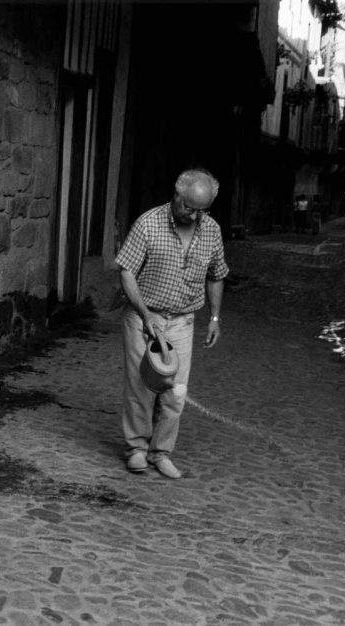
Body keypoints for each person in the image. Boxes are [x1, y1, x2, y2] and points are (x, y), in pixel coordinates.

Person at [114, 168, 229, 479]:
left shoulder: (212, 231)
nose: (193, 216)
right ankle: (136, 449)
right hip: (143, 317)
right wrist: (145, 313)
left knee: (175, 392)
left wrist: (215, 317)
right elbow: (126, 271)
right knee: (141, 387)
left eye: (201, 210)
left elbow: (217, 275)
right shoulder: (149, 223)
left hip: (182, 321)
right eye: (188, 207)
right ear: (177, 195)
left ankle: (160, 452)